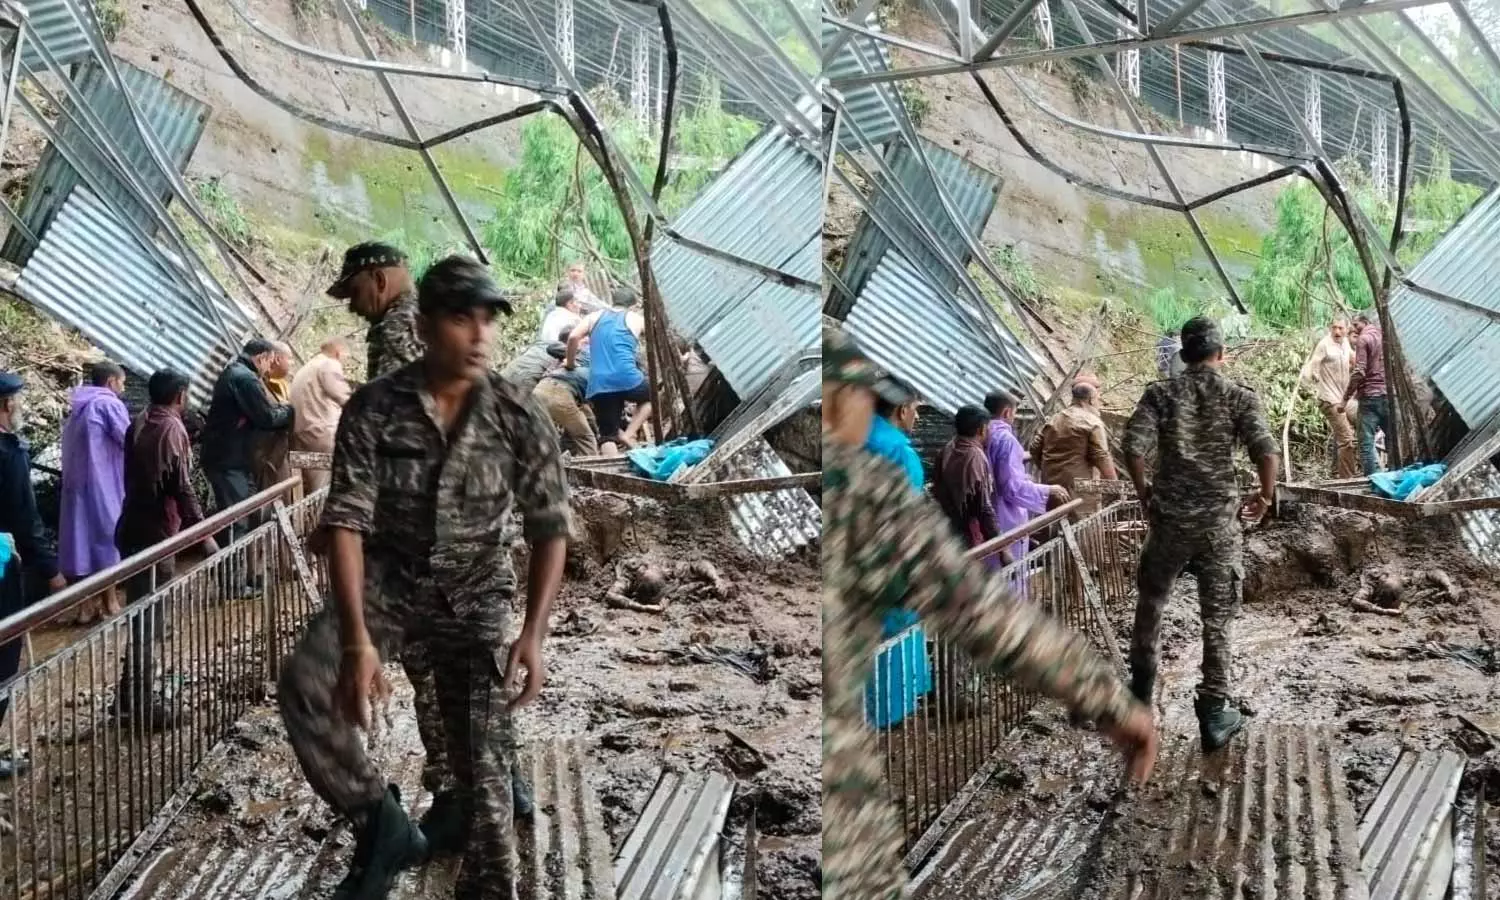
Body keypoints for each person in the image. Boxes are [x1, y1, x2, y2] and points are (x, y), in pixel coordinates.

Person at [821, 322, 1157, 900]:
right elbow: (972, 603)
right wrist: (1106, 698)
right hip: (841, 805)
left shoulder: (909, 449)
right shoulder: (872, 463)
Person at [276, 256, 571, 900]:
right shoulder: (375, 408)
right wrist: (357, 643)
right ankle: (379, 820)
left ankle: (489, 882)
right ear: (428, 323)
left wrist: (534, 633)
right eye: (462, 318)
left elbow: (551, 528)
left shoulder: (520, 415)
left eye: (488, 320)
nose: (480, 335)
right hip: (390, 581)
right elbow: (347, 524)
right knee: (305, 684)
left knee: (483, 766)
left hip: (475, 591)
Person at [1122, 316, 1279, 752]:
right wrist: (1265, 498)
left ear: (1184, 355)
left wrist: (1144, 493)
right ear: (1220, 354)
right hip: (1218, 529)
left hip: (1168, 524)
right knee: (1218, 620)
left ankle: (1138, 700)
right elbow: (1267, 451)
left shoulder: (1160, 394)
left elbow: (1132, 447)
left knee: (1151, 605)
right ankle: (1213, 713)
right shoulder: (1237, 397)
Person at [113, 369, 217, 729]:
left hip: (135, 526)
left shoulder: (141, 420)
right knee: (149, 619)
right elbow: (182, 487)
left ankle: (129, 697)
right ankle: (141, 705)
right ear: (181, 396)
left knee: (143, 613)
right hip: (156, 533)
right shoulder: (171, 430)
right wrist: (204, 534)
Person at [0, 372, 66, 777]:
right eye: (17, 401)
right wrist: (51, 569)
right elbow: (26, 518)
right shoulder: (9, 453)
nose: (20, 408)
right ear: (6, 405)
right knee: (4, 660)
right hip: (3, 566)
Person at [860, 383, 932, 730]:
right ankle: (889, 714)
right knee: (894, 631)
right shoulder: (899, 452)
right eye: (916, 408)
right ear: (902, 409)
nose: (917, 416)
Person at [200, 338, 294, 548]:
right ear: (261, 358)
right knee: (238, 521)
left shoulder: (234, 371)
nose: (269, 368)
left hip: (230, 458)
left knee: (245, 514)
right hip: (228, 460)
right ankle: (235, 579)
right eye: (269, 362)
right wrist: (289, 410)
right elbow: (266, 418)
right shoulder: (246, 379)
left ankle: (242, 575)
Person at [56, 361, 129, 625]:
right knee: (108, 539)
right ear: (111, 382)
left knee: (80, 542)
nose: (123, 388)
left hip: (77, 486)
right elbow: (127, 438)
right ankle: (110, 601)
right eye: (121, 382)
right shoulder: (109, 404)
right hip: (104, 483)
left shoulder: (78, 407)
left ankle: (85, 606)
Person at [564, 287, 650, 455]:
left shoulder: (593, 317)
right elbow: (654, 339)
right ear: (632, 306)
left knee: (607, 435)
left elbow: (573, 337)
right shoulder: (635, 318)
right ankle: (628, 435)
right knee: (651, 398)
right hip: (628, 378)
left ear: (614, 302)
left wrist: (570, 363)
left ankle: (614, 473)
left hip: (600, 383)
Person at [984, 391, 1068, 561]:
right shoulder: (1006, 440)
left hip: (983, 514)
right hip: (1003, 516)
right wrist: (1049, 489)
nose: (1013, 418)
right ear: (1007, 412)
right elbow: (1011, 488)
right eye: (1014, 414)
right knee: (1008, 573)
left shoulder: (981, 434)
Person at [327, 242, 421, 381]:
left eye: (355, 293)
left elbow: (392, 400)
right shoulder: (422, 317)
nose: (352, 307)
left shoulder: (399, 324)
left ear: (379, 280)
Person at [1031, 382, 1117, 519]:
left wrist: (1048, 470)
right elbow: (1101, 456)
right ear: (1091, 400)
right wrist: (1115, 485)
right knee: (1082, 530)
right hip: (1080, 491)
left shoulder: (1054, 419)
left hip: (1052, 486)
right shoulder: (1092, 422)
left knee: (1053, 525)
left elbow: (1034, 448)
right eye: (1098, 399)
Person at [933, 405, 1002, 549]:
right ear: (981, 429)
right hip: (967, 532)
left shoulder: (946, 450)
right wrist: (1002, 547)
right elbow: (983, 507)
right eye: (988, 428)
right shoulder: (975, 455)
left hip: (945, 527)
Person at [290, 338, 354, 493]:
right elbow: (345, 398)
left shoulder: (307, 367)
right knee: (326, 488)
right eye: (346, 357)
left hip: (302, 433)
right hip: (323, 432)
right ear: (338, 353)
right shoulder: (330, 364)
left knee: (313, 487)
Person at [1300, 317, 1357, 478]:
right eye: (1334, 328)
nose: (1337, 332)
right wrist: (1314, 375)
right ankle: (1348, 480)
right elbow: (1313, 364)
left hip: (1344, 399)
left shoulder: (1345, 343)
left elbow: (1354, 359)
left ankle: (1336, 469)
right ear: (1329, 328)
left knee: (1365, 419)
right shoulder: (1324, 344)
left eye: (1340, 328)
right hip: (1329, 399)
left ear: (1346, 329)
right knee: (1346, 439)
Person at [532, 333, 598, 458]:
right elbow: (552, 347)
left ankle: (562, 465)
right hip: (559, 391)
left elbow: (588, 413)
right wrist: (572, 356)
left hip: (542, 390)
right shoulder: (586, 354)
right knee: (586, 438)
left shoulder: (591, 358)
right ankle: (590, 472)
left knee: (577, 430)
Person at [1341, 313, 1392, 476]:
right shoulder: (1384, 336)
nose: (1355, 329)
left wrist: (1345, 398)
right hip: (1388, 395)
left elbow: (1359, 371)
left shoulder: (1364, 339)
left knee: (1366, 444)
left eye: (1356, 325)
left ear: (1365, 322)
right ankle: (1396, 473)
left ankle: (1373, 480)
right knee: (1394, 439)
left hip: (1370, 397)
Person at [254, 342, 297, 491]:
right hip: (266, 458)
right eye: (290, 359)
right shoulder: (260, 384)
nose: (292, 363)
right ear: (277, 359)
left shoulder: (283, 385)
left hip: (278, 457)